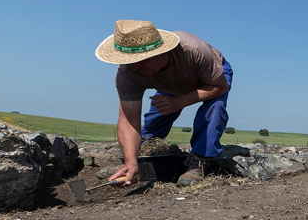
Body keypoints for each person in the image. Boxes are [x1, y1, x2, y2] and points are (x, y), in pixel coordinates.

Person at [95, 19, 233, 186]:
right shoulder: (127, 73)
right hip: (172, 83)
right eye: (129, 61)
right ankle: (136, 162)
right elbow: (128, 120)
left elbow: (220, 87)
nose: (134, 68)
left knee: (214, 109)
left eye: (141, 60)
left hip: (211, 79)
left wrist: (179, 101)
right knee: (157, 116)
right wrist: (130, 161)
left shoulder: (194, 50)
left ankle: (200, 161)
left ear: (161, 52)